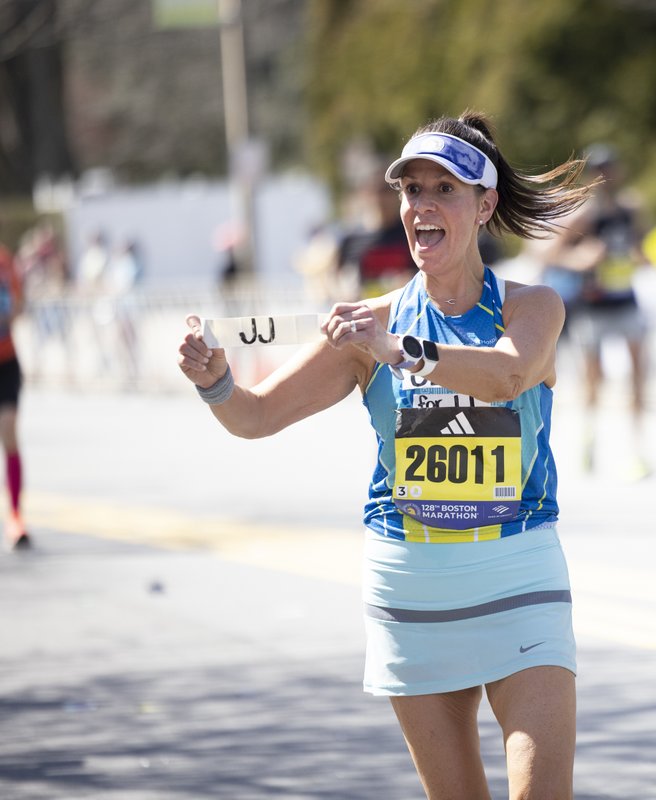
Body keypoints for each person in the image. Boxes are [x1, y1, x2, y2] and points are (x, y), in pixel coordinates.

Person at [177, 111, 591, 799]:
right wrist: (214, 379)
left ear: (485, 205)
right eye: (411, 192)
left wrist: (398, 350)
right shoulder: (367, 326)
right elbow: (255, 419)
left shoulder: (532, 307)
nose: (422, 207)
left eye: (444, 190)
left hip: (519, 572)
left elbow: (507, 375)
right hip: (413, 584)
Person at [540, 144, 652, 478]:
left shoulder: (630, 209)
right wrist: (581, 259)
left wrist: (639, 258)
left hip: (626, 298)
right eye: (598, 170)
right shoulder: (584, 214)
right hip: (594, 305)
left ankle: (637, 448)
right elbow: (548, 254)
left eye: (610, 169)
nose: (605, 176)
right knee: (595, 376)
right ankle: (590, 438)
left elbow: (641, 248)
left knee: (638, 372)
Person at [0, 235, 27, 550]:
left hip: (6, 362)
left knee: (9, 432)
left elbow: (20, 305)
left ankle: (16, 514)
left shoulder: (5, 261)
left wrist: (11, 313)